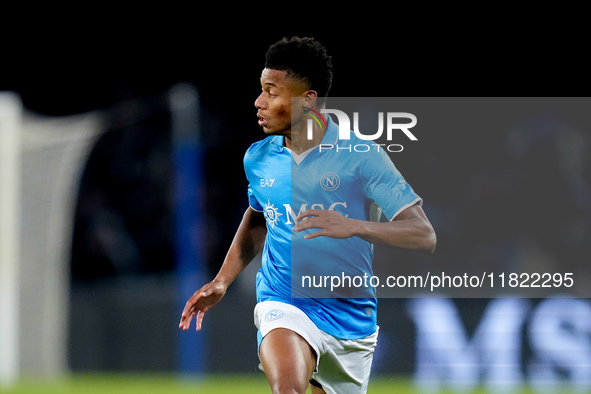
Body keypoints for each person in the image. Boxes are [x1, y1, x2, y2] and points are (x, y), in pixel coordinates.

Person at [179, 36, 436, 394]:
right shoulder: (259, 157)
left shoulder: (361, 156)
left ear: (307, 100)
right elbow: (259, 217)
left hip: (351, 321)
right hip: (284, 301)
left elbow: (423, 235)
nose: (259, 102)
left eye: (271, 92)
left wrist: (353, 226)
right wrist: (222, 279)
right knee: (289, 389)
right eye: (261, 90)